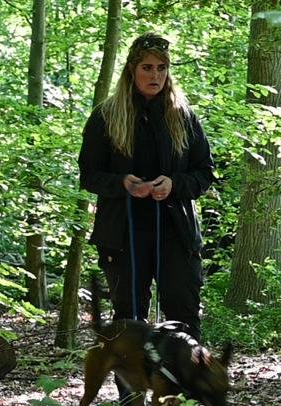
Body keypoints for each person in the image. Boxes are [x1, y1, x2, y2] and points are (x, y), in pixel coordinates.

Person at [78, 32, 215, 344]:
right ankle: (131, 392)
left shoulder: (183, 115)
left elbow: (204, 171)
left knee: (183, 315)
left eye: (162, 68)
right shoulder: (106, 116)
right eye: (147, 68)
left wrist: (174, 184)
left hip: (175, 229)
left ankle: (184, 389)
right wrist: (123, 183)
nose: (156, 75)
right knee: (128, 317)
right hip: (122, 230)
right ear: (132, 71)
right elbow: (89, 174)